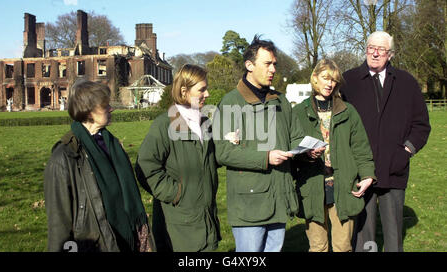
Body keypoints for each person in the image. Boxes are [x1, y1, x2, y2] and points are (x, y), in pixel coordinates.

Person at [213, 35, 304, 252]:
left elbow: (296, 135)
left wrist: (307, 149)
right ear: (249, 65)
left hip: (280, 197)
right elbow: (223, 152)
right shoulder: (231, 102)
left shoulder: (280, 100)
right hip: (250, 205)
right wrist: (265, 158)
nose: (273, 69)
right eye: (267, 64)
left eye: (274, 64)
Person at [341, 31, 431, 252]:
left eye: (381, 49)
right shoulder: (348, 81)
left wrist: (406, 151)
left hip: (394, 169)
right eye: (371, 47)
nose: (375, 53)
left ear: (390, 54)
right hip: (361, 172)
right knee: (365, 238)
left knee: (393, 236)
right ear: (365, 49)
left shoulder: (406, 82)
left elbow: (421, 125)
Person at [44, 80, 154, 252]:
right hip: (95, 244)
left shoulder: (112, 144)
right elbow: (59, 224)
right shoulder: (64, 158)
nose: (111, 109)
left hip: (129, 239)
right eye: (105, 106)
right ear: (88, 111)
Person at [292, 59, 376, 252]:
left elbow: (361, 148)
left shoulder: (349, 112)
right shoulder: (298, 112)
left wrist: (367, 176)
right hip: (312, 187)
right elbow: (290, 148)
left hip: (343, 187)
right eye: (325, 78)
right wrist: (305, 155)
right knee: (318, 247)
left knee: (342, 247)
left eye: (334, 80)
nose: (329, 84)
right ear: (314, 78)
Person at [135, 64, 221, 252]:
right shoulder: (164, 125)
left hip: (206, 221)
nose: (207, 94)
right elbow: (145, 167)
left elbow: (210, 160)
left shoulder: (205, 123)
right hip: (178, 228)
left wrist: (228, 142)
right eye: (202, 90)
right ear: (184, 91)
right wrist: (176, 193)